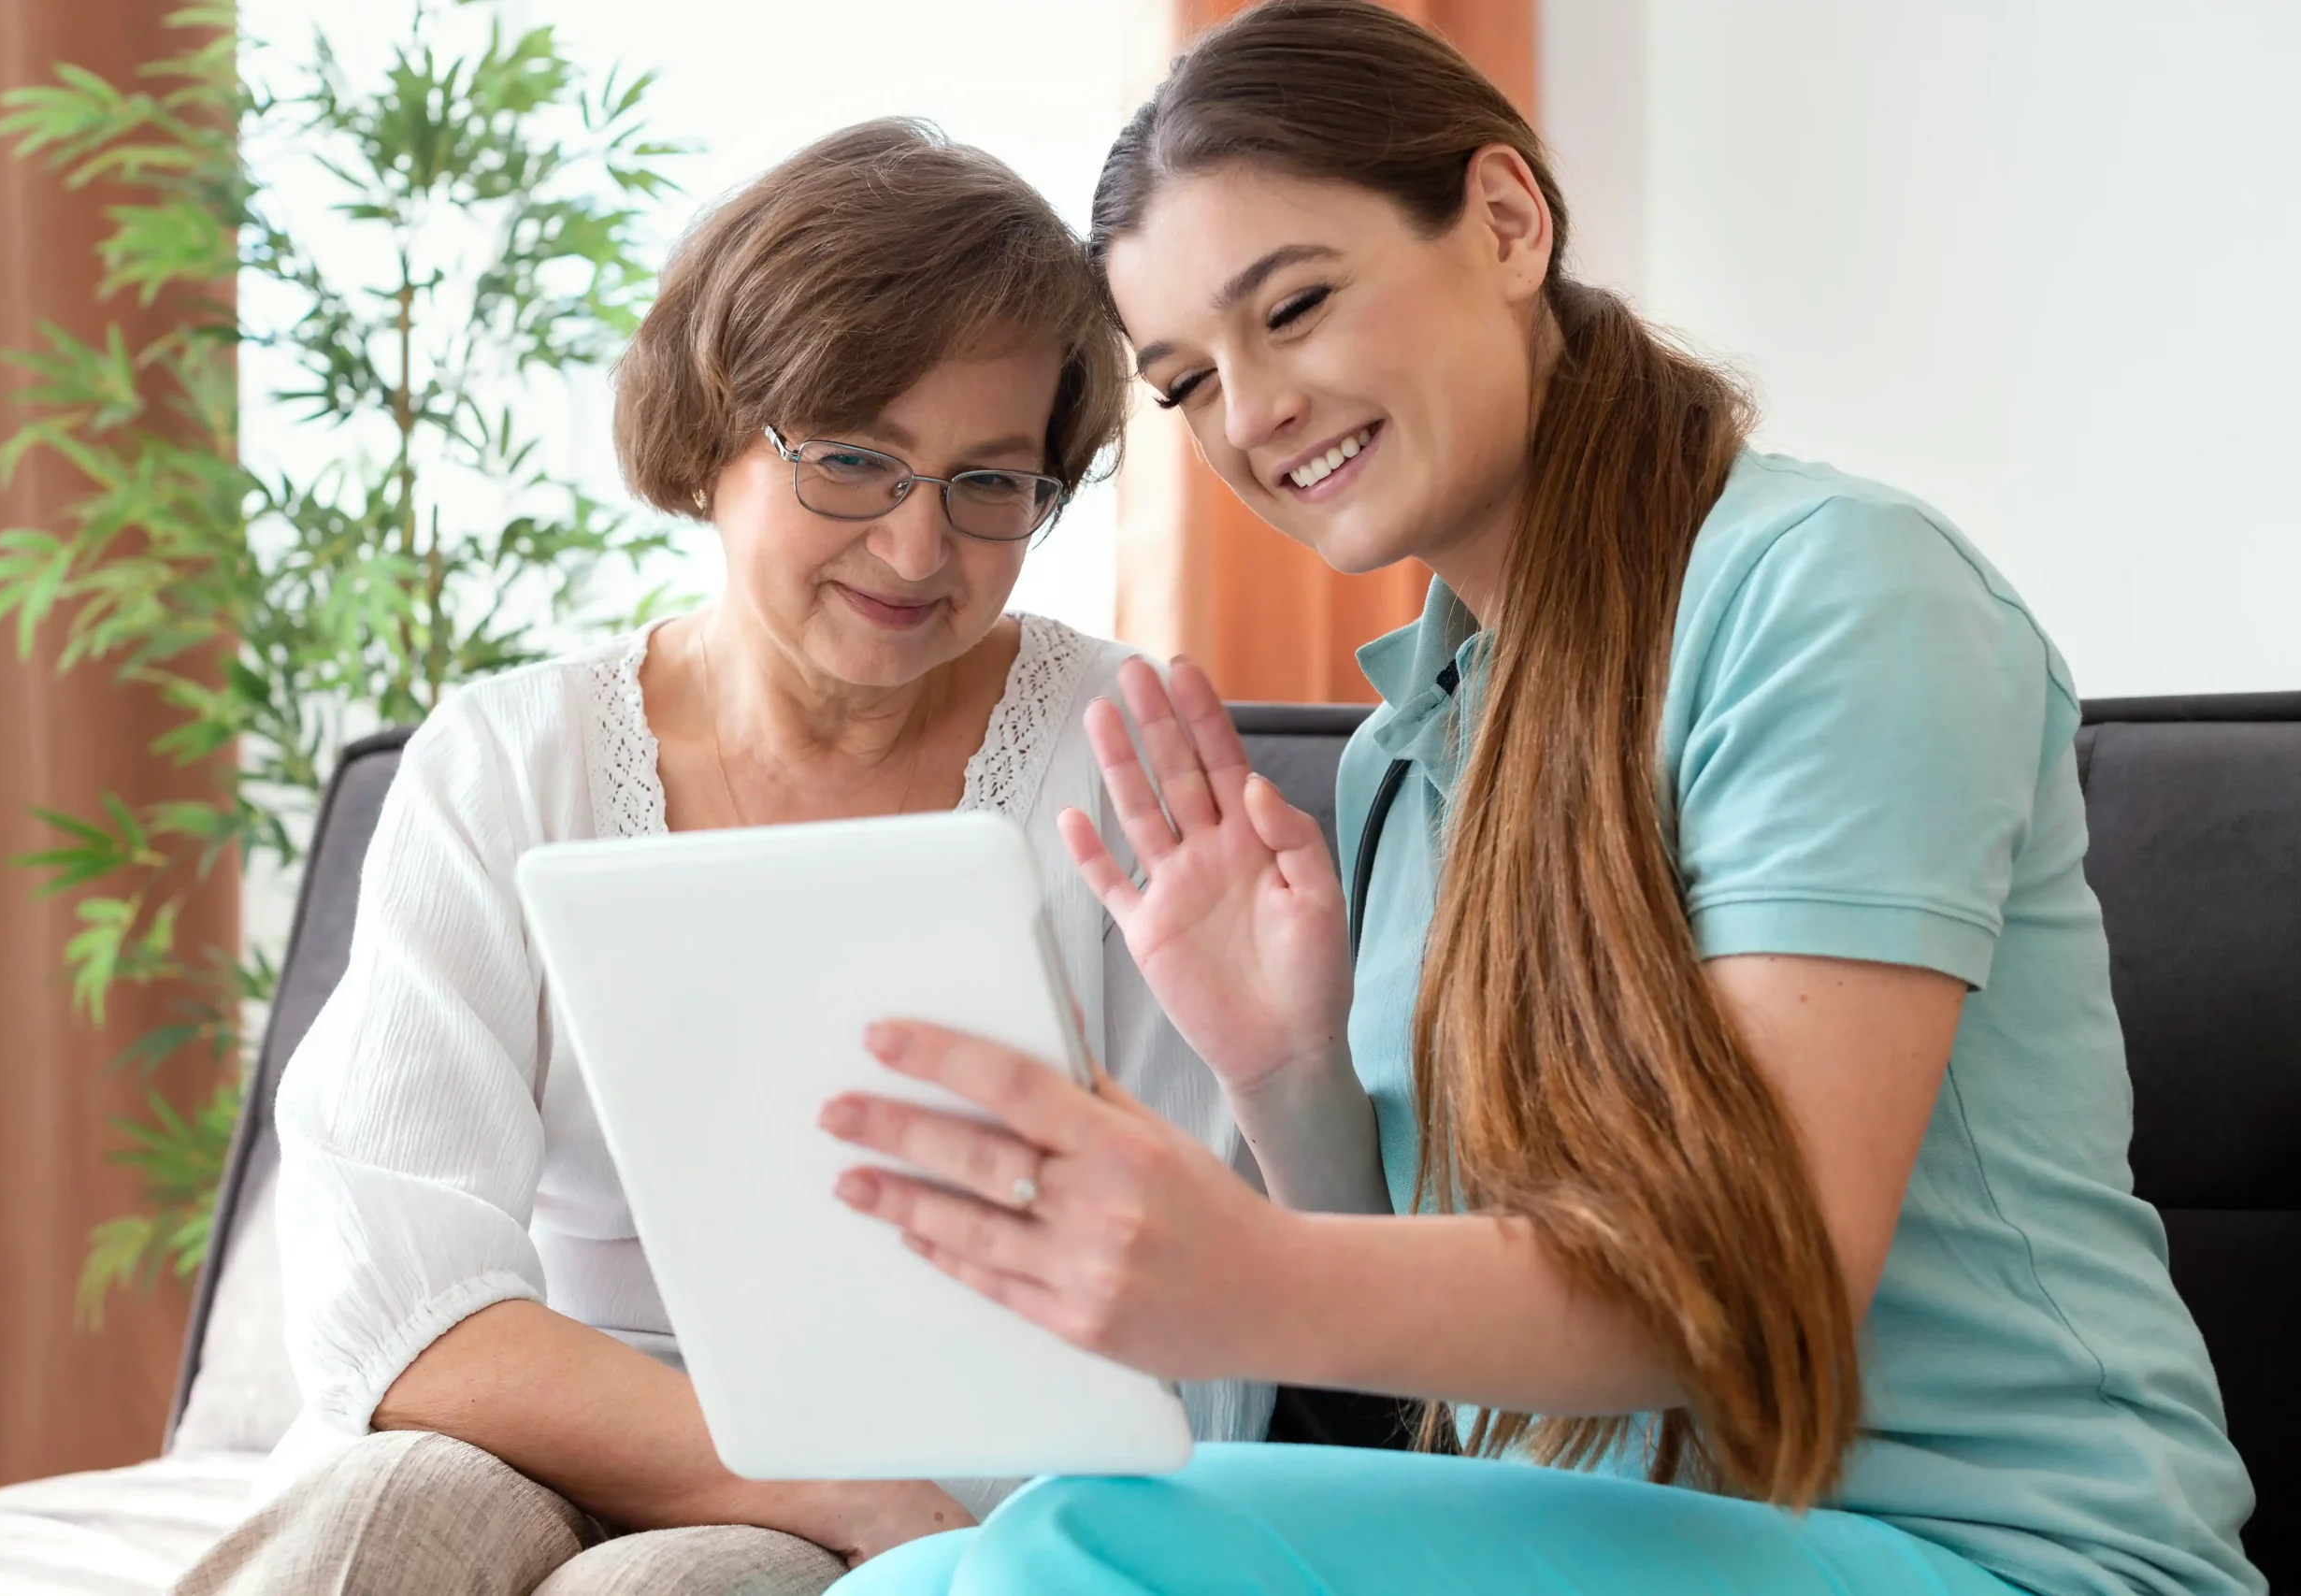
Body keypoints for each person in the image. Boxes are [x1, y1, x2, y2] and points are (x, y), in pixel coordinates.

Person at [815, 5, 2265, 1593]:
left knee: (1076, 1546)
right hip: (1634, 1544)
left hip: (1998, 1555)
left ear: (1507, 220)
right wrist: (1285, 1061)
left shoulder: (1833, 596)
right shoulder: (1415, 743)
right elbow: (1454, 1387)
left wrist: (1239, 1278)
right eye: (1187, 384)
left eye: (1292, 306)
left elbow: (1754, 1291)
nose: (1251, 412)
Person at [172, 119, 1272, 1596]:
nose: (913, 550)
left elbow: (1198, 1323)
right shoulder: (506, 760)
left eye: (988, 483)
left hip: (939, 1473)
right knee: (390, 1520)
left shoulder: (1122, 753)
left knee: (683, 1586)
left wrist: (885, 1502)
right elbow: (393, 1296)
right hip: (534, 1414)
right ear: (712, 439)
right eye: (852, 463)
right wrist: (811, 1478)